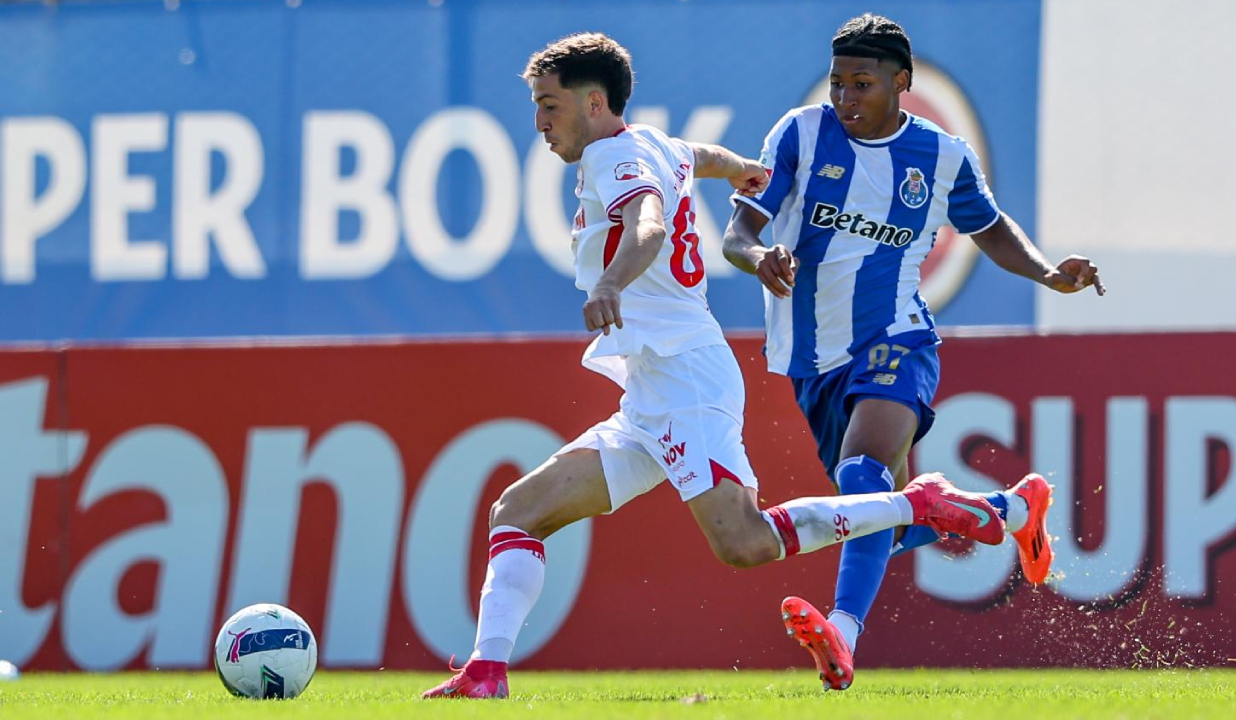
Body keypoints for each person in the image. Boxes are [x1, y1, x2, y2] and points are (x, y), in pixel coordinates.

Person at [422, 31, 1007, 700]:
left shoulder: (615, 158)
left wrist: (611, 281)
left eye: (549, 105)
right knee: (518, 510)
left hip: (685, 379)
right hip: (654, 388)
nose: (539, 122)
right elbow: (697, 156)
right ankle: (486, 673)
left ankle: (918, 504)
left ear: (593, 103)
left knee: (746, 542)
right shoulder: (651, 143)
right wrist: (741, 170)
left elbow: (647, 224)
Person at [722, 13, 1105, 689]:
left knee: (863, 478)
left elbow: (990, 228)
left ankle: (842, 634)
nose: (845, 97)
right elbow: (738, 231)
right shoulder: (800, 134)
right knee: (885, 521)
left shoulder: (941, 156)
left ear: (902, 82)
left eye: (862, 84)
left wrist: (1049, 273)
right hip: (813, 361)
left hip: (897, 337)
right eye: (837, 82)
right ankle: (1014, 510)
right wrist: (759, 257)